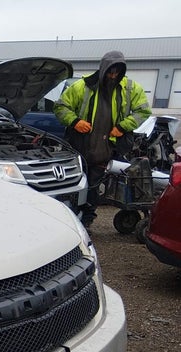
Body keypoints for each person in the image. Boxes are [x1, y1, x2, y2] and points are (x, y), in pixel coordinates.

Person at [54, 50, 151, 228]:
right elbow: (61, 107)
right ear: (103, 68)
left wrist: (122, 127)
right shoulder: (82, 86)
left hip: (106, 148)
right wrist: (75, 122)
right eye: (110, 72)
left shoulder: (130, 88)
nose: (113, 76)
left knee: (94, 187)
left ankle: (86, 221)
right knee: (73, 185)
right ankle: (67, 217)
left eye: (117, 73)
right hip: (79, 146)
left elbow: (143, 111)